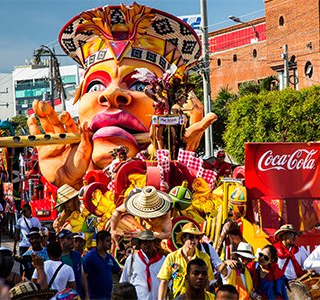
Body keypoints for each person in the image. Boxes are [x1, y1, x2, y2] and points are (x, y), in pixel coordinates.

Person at [27, 3, 216, 191]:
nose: (110, 94)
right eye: (96, 85)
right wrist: (71, 183)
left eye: (141, 85)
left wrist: (173, 165)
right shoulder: (73, 179)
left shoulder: (200, 187)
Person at [157, 222, 214, 300]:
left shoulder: (204, 257)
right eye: (191, 237)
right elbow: (164, 281)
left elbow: (207, 282)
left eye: (196, 237)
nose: (194, 240)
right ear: (183, 238)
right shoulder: (172, 257)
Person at [120, 230, 166, 300]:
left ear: (154, 243)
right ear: (140, 243)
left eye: (150, 241)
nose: (147, 244)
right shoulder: (132, 259)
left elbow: (168, 282)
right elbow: (124, 281)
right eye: (144, 242)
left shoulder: (162, 259)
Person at [83, 230, 122, 299]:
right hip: (94, 297)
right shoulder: (90, 257)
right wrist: (86, 295)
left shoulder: (109, 257)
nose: (110, 243)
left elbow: (119, 272)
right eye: (108, 241)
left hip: (108, 296)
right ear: (100, 242)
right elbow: (83, 277)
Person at [58, 229, 90, 299]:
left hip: (76, 296)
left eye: (72, 238)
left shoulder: (77, 255)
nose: (72, 241)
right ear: (61, 241)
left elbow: (82, 276)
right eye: (69, 238)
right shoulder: (55, 256)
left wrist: (87, 294)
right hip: (60, 297)